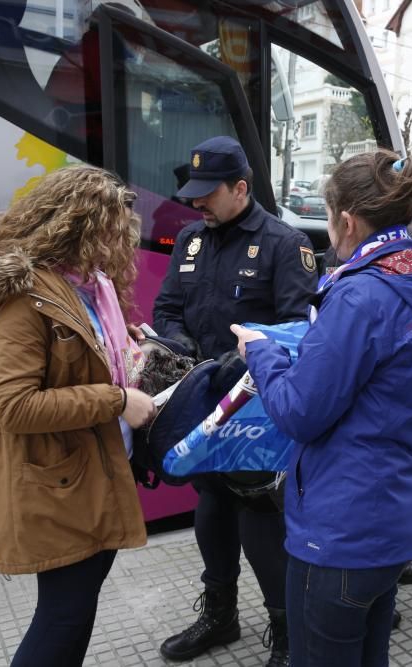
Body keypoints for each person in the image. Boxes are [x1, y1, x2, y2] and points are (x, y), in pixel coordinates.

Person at [232, 150, 412, 666]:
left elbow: (298, 412)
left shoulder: (361, 293)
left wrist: (263, 353)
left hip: (339, 526)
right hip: (394, 517)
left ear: (346, 220)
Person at [0, 166, 155, 666]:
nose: (121, 245)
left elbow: (79, 354)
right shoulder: (24, 297)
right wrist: (118, 400)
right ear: (81, 226)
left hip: (91, 470)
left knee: (75, 613)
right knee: (63, 616)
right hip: (60, 482)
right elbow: (13, 406)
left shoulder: (85, 284)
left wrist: (123, 342)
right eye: (114, 232)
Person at [152, 136, 316, 665]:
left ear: (241, 188)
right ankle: (220, 616)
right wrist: (176, 344)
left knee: (259, 518)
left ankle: (288, 632)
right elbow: (168, 306)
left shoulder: (284, 243)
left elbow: (299, 330)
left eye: (208, 193)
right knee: (212, 508)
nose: (197, 204)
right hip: (201, 398)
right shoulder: (191, 241)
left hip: (254, 409)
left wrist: (245, 363)